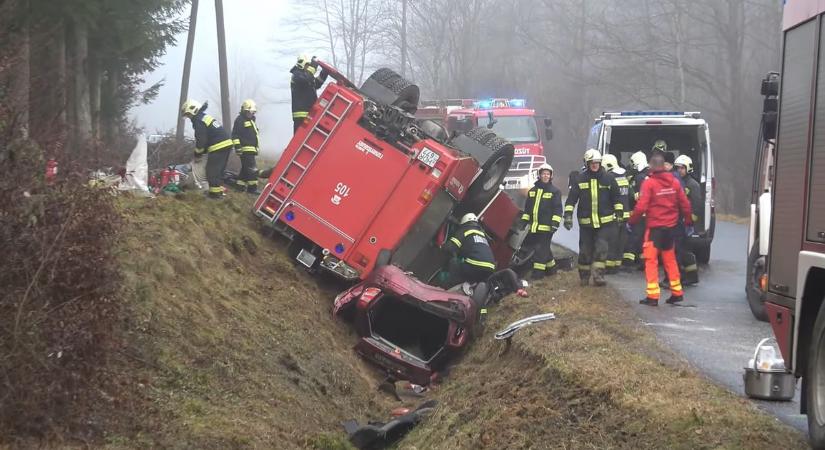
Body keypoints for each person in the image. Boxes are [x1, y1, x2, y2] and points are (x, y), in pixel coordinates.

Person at [628, 153, 693, 306]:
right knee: (670, 260)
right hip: (670, 229)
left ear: (651, 167)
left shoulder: (649, 183)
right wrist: (689, 222)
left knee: (651, 261)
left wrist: (632, 222)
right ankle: (677, 292)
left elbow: (641, 207)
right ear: (664, 166)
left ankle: (652, 296)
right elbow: (685, 204)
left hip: (654, 230)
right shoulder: (675, 182)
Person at [564, 149, 623, 286]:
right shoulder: (580, 179)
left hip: (605, 223)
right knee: (585, 251)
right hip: (586, 224)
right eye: (592, 163)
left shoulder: (609, 178)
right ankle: (584, 277)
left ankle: (598, 276)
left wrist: (619, 212)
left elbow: (616, 197)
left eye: (597, 163)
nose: (595, 165)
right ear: (587, 163)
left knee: (601, 249)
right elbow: (571, 199)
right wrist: (568, 215)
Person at [181, 99, 234, 199]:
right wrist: (203, 152)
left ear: (193, 110)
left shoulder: (198, 121)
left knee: (212, 171)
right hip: (226, 144)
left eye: (188, 114)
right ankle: (218, 192)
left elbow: (201, 141)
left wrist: (197, 155)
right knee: (218, 171)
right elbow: (206, 140)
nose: (188, 117)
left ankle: (214, 196)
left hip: (219, 146)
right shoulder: (203, 117)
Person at [520, 163, 563, 279]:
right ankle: (552, 270)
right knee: (544, 249)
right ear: (539, 175)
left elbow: (558, 209)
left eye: (548, 174)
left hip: (547, 228)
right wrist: (524, 221)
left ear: (551, 176)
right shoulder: (532, 191)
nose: (545, 176)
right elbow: (527, 209)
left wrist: (555, 223)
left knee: (540, 251)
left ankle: (537, 275)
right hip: (534, 227)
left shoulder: (555, 192)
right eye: (543, 174)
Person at [442, 213, 497, 287]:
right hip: (490, 269)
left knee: (453, 262)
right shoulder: (481, 234)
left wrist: (442, 246)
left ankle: (449, 287)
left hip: (476, 265)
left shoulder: (465, 230)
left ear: (464, 222)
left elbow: (450, 247)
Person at [674, 155, 701, 285]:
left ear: (688, 168)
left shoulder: (693, 184)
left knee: (683, 250)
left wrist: (690, 221)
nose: (679, 170)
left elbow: (696, 204)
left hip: (686, 223)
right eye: (678, 168)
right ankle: (687, 275)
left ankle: (691, 276)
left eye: (682, 168)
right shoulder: (678, 182)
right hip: (678, 221)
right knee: (680, 250)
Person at [601, 154, 631, 274]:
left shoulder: (610, 177)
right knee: (621, 241)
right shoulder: (624, 177)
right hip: (625, 214)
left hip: (614, 214)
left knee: (612, 241)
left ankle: (610, 266)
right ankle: (617, 264)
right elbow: (631, 194)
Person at [623, 150, 650, 269]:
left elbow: (639, 197)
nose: (632, 166)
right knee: (641, 240)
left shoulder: (641, 178)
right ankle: (642, 263)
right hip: (643, 214)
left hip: (641, 214)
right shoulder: (643, 176)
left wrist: (630, 189)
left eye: (634, 164)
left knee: (634, 238)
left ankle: (629, 263)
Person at [291, 54, 328, 133]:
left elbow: (316, 84)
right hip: (301, 115)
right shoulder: (296, 75)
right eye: (307, 65)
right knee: (299, 139)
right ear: (302, 64)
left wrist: (324, 73)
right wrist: (313, 67)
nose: (308, 67)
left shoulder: (305, 76)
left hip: (309, 112)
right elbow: (306, 79)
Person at [232, 99, 260, 194]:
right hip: (245, 150)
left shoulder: (252, 120)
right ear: (244, 110)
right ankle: (252, 188)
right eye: (249, 112)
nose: (251, 114)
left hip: (251, 149)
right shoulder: (240, 120)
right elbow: (235, 135)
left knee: (245, 168)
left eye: (252, 112)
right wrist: (238, 147)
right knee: (252, 168)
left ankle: (240, 186)